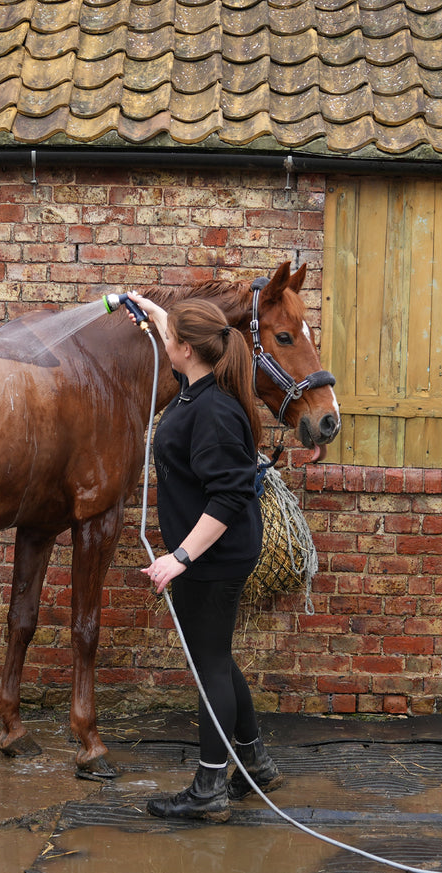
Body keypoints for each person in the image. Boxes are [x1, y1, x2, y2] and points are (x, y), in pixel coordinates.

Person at [123, 292, 283, 822]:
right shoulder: (199, 383)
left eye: (169, 339)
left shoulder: (213, 411)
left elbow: (229, 497)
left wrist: (181, 558)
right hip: (210, 556)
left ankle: (210, 788)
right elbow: (178, 334)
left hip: (215, 558)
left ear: (187, 350)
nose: (165, 343)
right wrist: (152, 311)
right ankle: (256, 763)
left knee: (208, 662)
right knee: (213, 653)